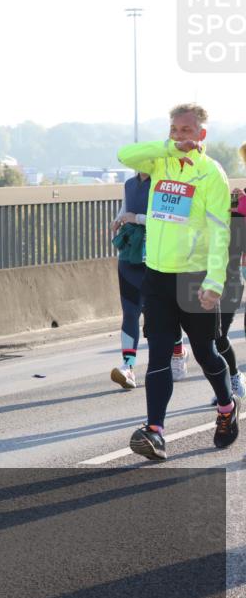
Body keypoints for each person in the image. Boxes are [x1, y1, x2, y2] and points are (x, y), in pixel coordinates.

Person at [117, 103, 239, 460]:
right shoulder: (161, 161)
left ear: (202, 134)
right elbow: (125, 154)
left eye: (186, 130)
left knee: (205, 352)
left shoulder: (211, 173)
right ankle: (155, 431)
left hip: (194, 277)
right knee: (158, 355)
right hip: (157, 275)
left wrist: (215, 281)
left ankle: (227, 407)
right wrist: (168, 146)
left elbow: (220, 231)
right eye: (174, 129)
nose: (179, 136)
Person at [110, 172, 150, 389]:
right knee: (130, 312)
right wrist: (119, 220)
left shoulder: (164, 183)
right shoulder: (129, 184)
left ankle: (177, 353)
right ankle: (128, 366)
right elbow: (125, 209)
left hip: (157, 256)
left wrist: (138, 218)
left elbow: (167, 219)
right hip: (130, 254)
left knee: (160, 314)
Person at [209, 185, 246, 404]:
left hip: (232, 283)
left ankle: (233, 379)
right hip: (209, 284)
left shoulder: (239, 220)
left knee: (220, 336)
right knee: (213, 339)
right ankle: (228, 384)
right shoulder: (210, 222)